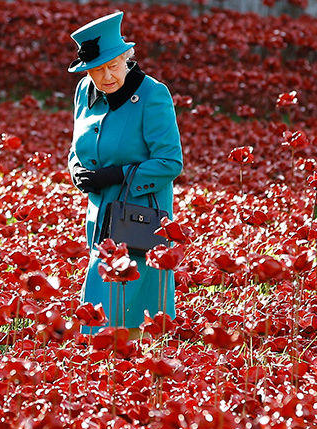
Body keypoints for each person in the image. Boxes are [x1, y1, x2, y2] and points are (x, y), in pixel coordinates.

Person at [66, 12, 183, 333]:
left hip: (140, 219)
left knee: (131, 310)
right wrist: (76, 169)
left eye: (113, 66)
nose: (106, 76)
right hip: (100, 216)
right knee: (101, 310)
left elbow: (170, 162)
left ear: (126, 59)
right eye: (96, 70)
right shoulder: (84, 91)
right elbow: (77, 146)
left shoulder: (152, 95)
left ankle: (130, 362)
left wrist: (118, 175)